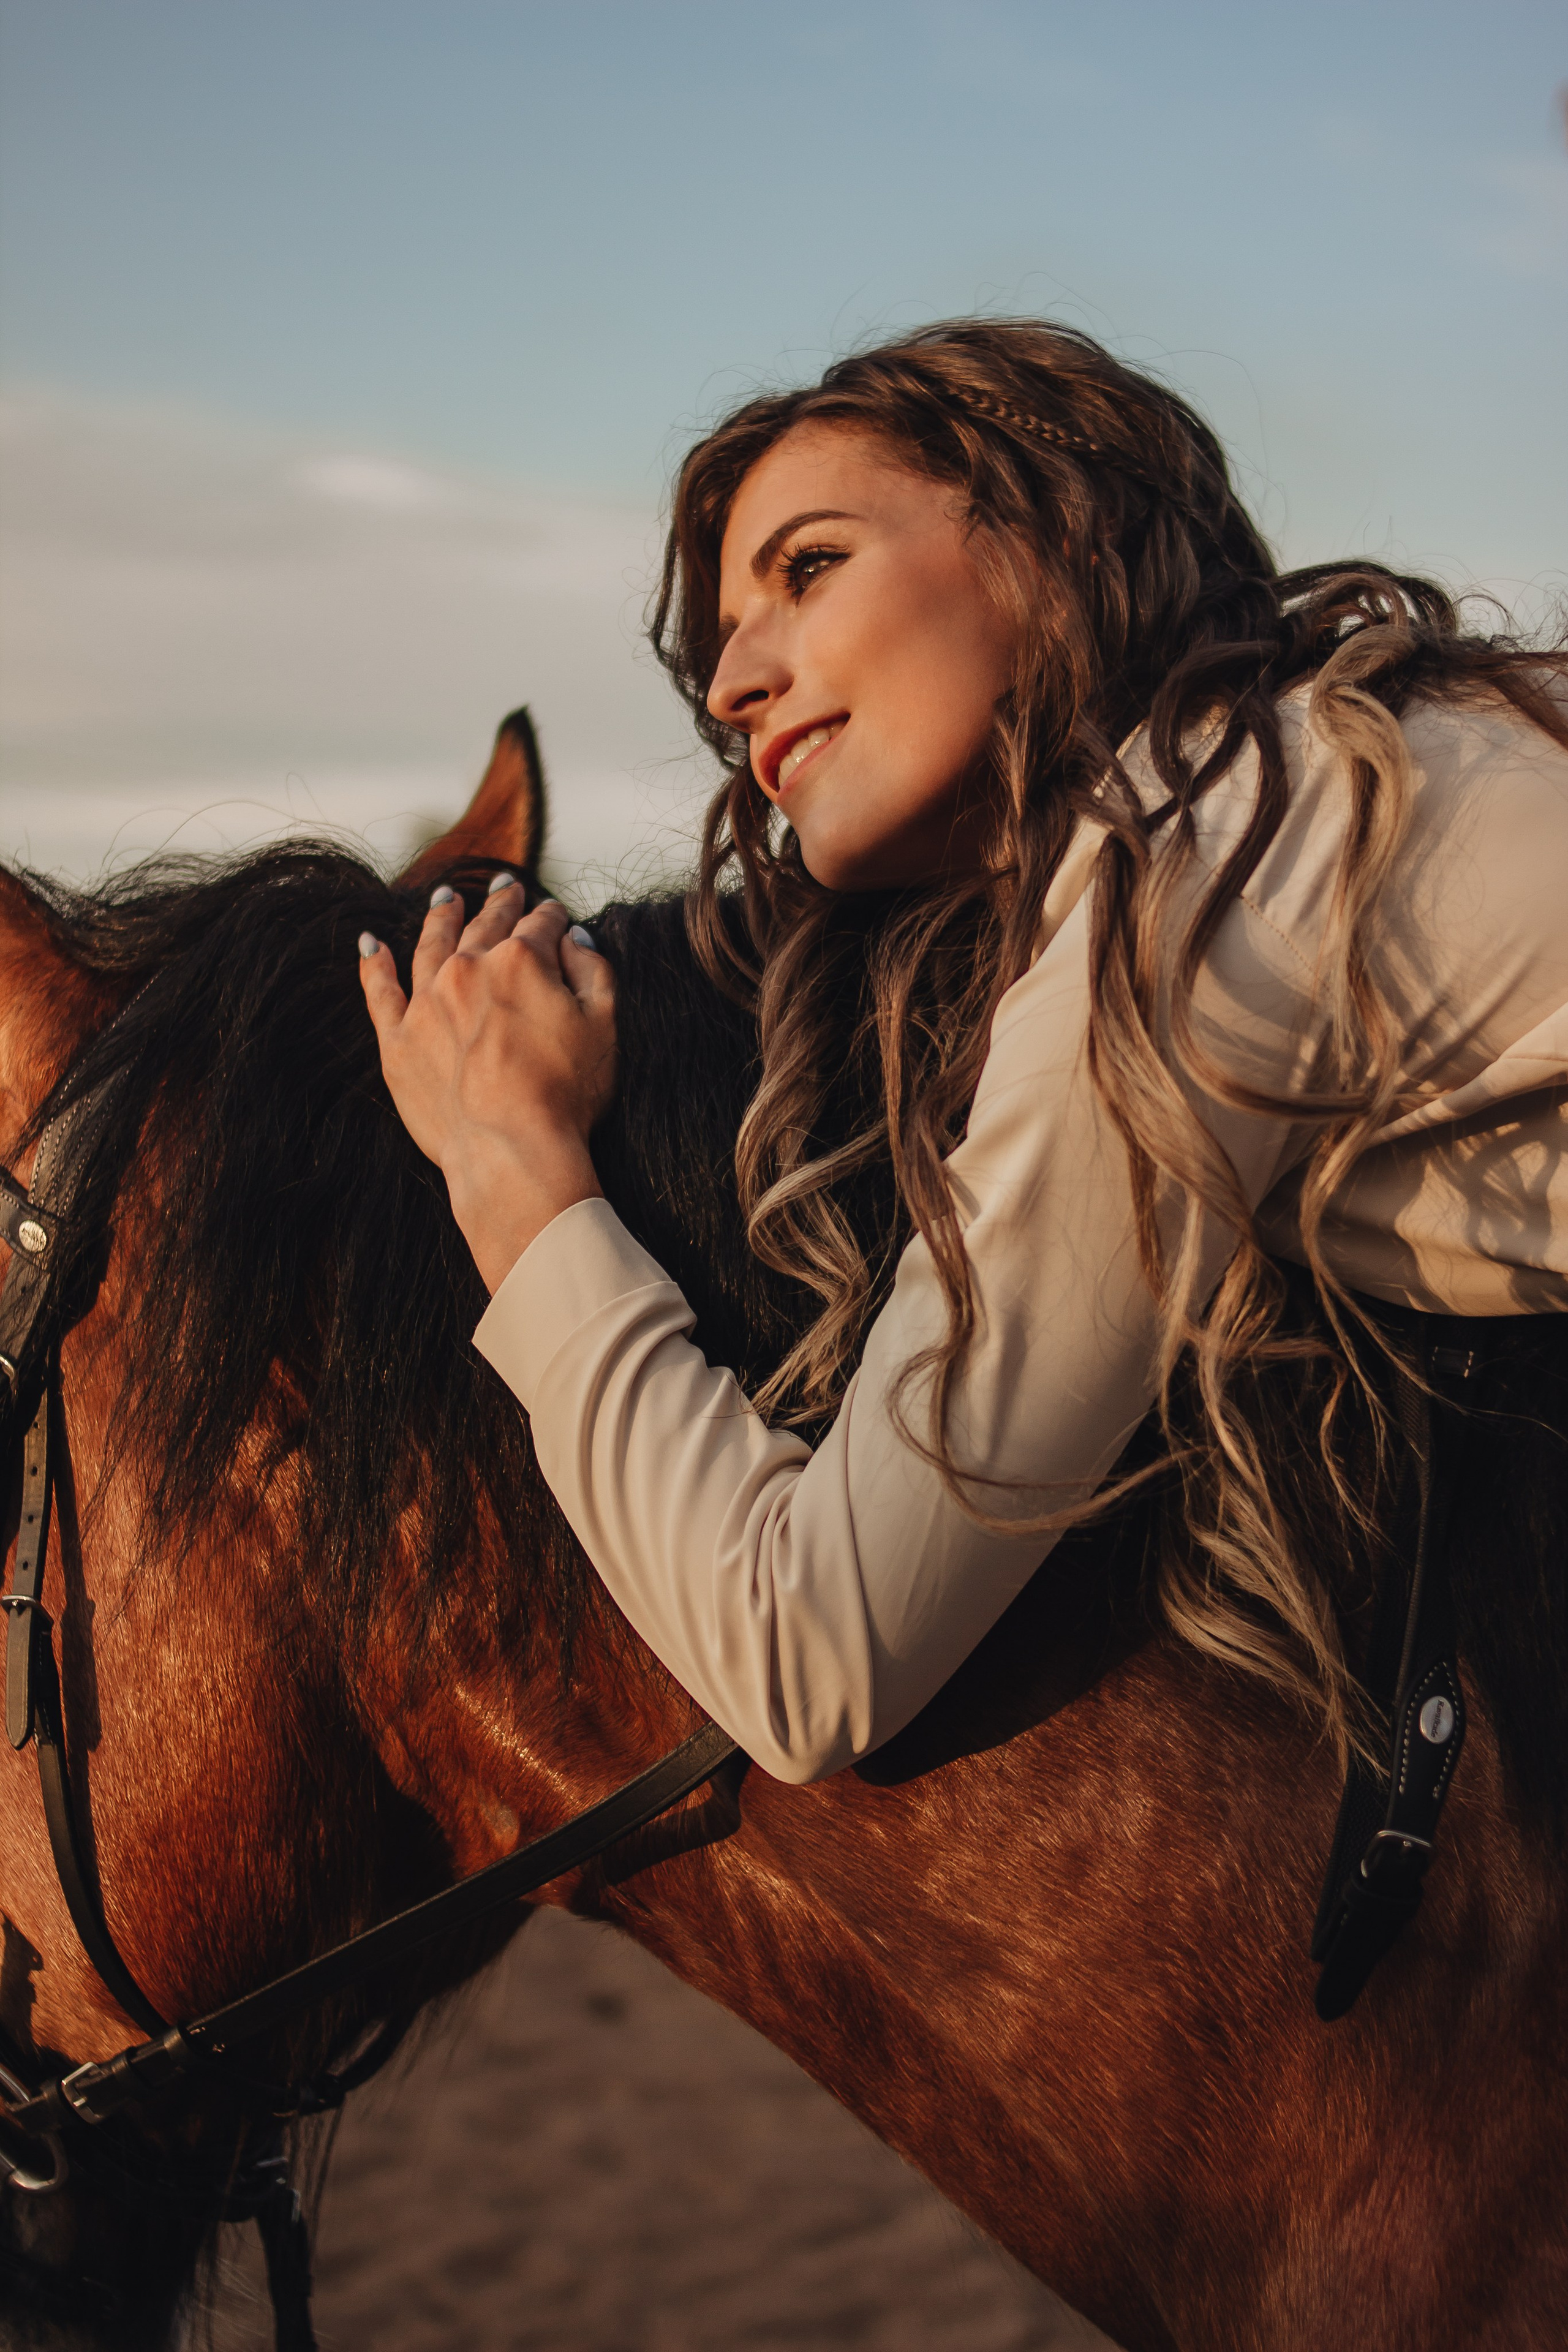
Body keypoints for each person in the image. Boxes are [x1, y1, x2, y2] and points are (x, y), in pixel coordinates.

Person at [358, 318, 1568, 1787]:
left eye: (806, 567)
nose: (732, 681)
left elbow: (810, 1659)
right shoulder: (1333, 767)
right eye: (721, 645)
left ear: (1053, 540)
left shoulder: (1196, 884)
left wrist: (511, 1167)